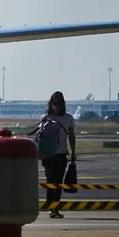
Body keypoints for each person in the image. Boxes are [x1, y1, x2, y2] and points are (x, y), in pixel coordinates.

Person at [38, 91, 76, 219]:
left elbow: (71, 136)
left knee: (57, 181)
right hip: (50, 154)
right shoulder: (46, 117)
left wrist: (73, 152)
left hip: (59, 154)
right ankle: (52, 208)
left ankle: (54, 207)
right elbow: (41, 137)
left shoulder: (67, 118)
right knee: (52, 181)